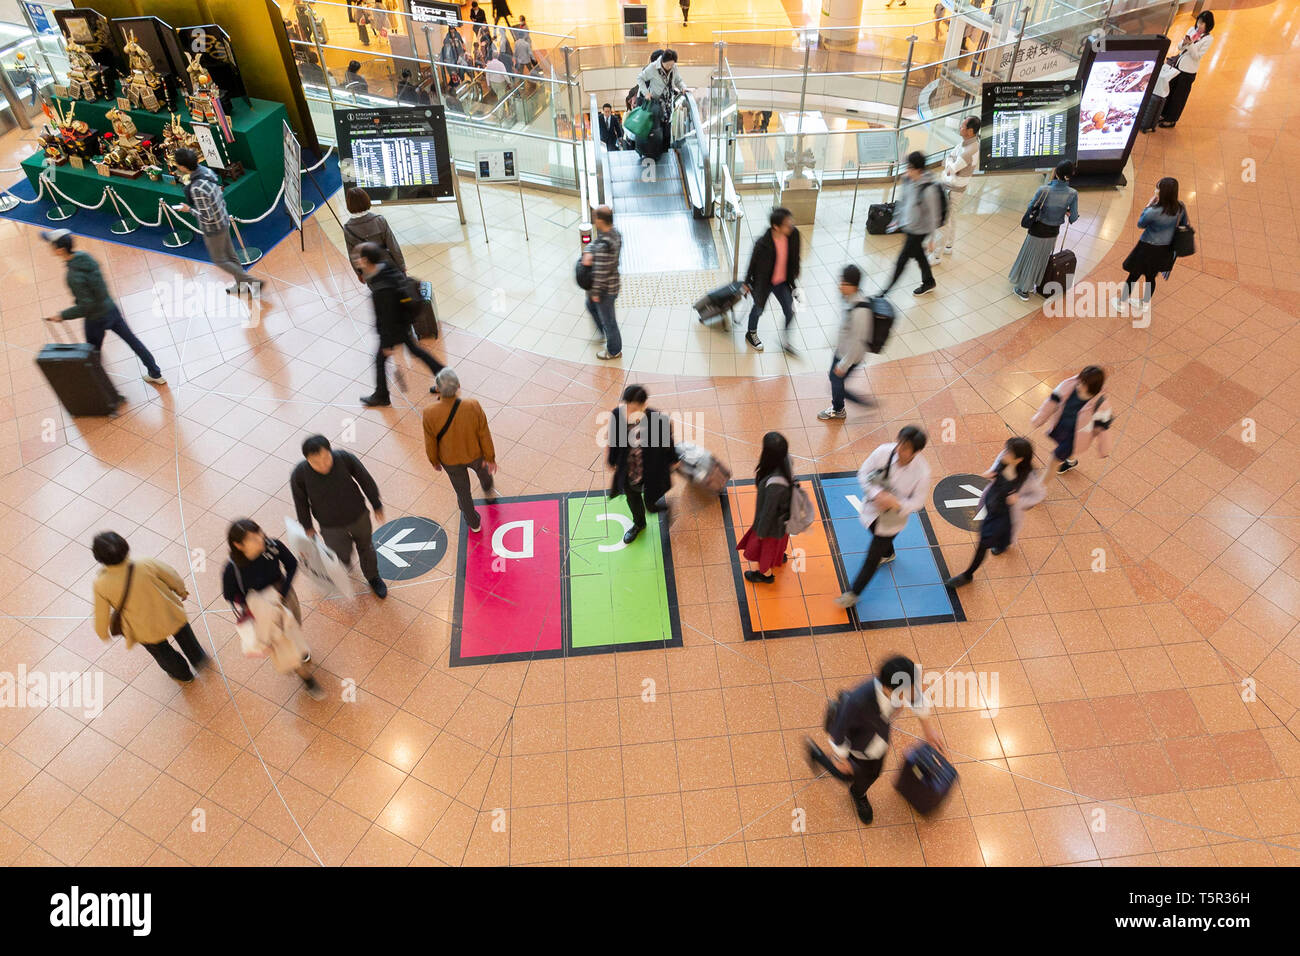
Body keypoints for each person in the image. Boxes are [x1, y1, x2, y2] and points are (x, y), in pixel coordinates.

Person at [808, 656, 946, 825]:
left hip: (878, 740)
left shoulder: (900, 684)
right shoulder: (858, 702)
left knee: (873, 772)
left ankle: (853, 785)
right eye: (907, 690)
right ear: (888, 689)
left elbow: (917, 699)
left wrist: (928, 730)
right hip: (859, 747)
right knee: (851, 775)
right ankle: (853, 789)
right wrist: (841, 758)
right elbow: (838, 733)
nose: (912, 693)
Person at [42, 230, 165, 387]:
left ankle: (100, 387)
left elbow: (86, 306)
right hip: (111, 309)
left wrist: (62, 315)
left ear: (60, 250)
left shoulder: (72, 276)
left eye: (51, 245)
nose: (49, 248)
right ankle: (155, 373)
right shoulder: (86, 258)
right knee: (133, 341)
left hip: (95, 319)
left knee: (93, 354)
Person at [223, 519, 324, 700]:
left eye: (259, 533)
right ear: (238, 545)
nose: (260, 540)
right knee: (282, 641)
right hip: (262, 611)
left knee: (294, 626)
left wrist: (282, 593)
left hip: (284, 597)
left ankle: (299, 650)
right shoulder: (232, 569)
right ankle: (306, 678)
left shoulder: (272, 546)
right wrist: (255, 602)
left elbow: (292, 564)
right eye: (252, 539)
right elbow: (230, 594)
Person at [835, 426, 932, 608]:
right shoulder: (883, 452)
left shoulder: (922, 472)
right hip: (872, 509)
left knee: (873, 556)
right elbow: (863, 473)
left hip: (893, 520)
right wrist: (877, 493)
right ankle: (888, 552)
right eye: (899, 443)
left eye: (905, 448)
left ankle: (854, 593)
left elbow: (918, 502)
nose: (899, 449)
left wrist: (897, 504)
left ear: (916, 452)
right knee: (876, 534)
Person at [91, 532, 206, 682]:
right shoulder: (145, 563)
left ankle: (182, 674)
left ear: (99, 558)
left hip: (142, 628)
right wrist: (181, 590)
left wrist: (103, 633)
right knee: (186, 638)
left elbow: (101, 614)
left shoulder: (101, 584)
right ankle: (199, 659)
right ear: (125, 546)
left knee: (162, 652)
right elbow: (171, 575)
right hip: (169, 613)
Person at [291, 435, 388, 598]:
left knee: (366, 548)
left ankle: (373, 577)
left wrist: (376, 504)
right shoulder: (299, 474)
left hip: (358, 516)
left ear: (330, 451)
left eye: (326, 458)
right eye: (316, 462)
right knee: (339, 554)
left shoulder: (344, 458)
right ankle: (342, 566)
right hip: (330, 526)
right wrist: (307, 526)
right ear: (307, 460)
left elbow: (365, 479)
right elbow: (300, 502)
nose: (323, 465)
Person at [355, 242, 444, 407]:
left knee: (381, 359)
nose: (358, 261)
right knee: (415, 350)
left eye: (360, 258)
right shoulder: (386, 267)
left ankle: (382, 395)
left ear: (367, 260)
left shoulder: (381, 289)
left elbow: (386, 317)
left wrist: (387, 343)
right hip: (403, 321)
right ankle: (445, 377)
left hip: (394, 328)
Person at [946, 437, 1041, 588]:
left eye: (1009, 452)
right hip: (993, 501)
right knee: (1003, 536)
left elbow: (1038, 495)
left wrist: (1018, 500)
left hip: (1004, 514)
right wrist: (991, 473)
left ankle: (968, 574)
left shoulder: (1029, 477)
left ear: (1019, 459)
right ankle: (1003, 544)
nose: (1004, 453)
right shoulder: (1004, 458)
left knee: (984, 542)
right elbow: (996, 468)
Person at [172, 148, 261, 298]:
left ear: (183, 167)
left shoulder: (197, 188)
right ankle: (242, 286)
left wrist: (189, 210)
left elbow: (207, 216)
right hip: (223, 218)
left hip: (214, 228)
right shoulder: (205, 171)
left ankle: (250, 281)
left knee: (220, 260)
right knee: (231, 256)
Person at [423, 368, 497, 533]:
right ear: (458, 386)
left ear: (438, 388)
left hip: (450, 460)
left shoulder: (429, 413)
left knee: (462, 492)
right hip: (475, 453)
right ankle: (487, 486)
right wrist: (490, 458)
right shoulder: (472, 405)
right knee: (483, 471)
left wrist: (434, 461)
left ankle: (473, 522)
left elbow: (430, 441)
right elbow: (484, 433)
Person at [607, 385, 679, 545]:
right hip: (629, 469)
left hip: (652, 469)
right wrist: (612, 460)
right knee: (632, 498)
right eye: (627, 407)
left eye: (634, 409)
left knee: (651, 499)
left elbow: (668, 442)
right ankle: (639, 524)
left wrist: (673, 460)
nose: (629, 413)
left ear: (643, 405)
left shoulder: (658, 420)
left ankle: (657, 507)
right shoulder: (617, 415)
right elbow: (612, 440)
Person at [1112, 176, 1186, 314]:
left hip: (1146, 248)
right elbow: (1183, 223)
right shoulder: (1180, 207)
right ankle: (1144, 303)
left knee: (1133, 275)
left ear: (1162, 192)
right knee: (1151, 277)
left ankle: (1121, 302)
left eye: (1157, 188)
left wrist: (1149, 205)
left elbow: (1141, 224)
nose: (1155, 190)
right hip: (1165, 250)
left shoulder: (1154, 211)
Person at [1008, 159, 1078, 301]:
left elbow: (1031, 207)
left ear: (1056, 173)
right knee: (1041, 258)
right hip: (1053, 233)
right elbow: (1073, 218)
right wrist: (1066, 211)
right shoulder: (1072, 193)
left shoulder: (1044, 190)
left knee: (1030, 257)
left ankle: (1023, 289)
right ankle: (1034, 283)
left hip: (1038, 230)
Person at [1030, 365, 1114, 483]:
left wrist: (1104, 449)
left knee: (1054, 460)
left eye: (1083, 384)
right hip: (1060, 427)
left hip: (1075, 438)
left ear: (1093, 387)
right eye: (1080, 381)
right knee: (1062, 449)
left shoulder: (1101, 404)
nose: (1079, 385)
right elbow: (1051, 402)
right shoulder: (1069, 385)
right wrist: (1039, 418)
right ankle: (1071, 461)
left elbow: (1103, 429)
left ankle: (1040, 486)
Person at [817, 265, 875, 421]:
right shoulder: (849, 298)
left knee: (836, 380)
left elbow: (858, 342)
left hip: (849, 356)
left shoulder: (861, 311)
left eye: (844, 283)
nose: (840, 286)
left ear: (854, 286)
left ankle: (840, 409)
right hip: (842, 350)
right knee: (834, 379)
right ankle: (843, 406)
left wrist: (843, 365)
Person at [881, 151, 941, 297]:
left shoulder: (928, 189)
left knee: (902, 260)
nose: (907, 171)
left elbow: (934, 215)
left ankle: (885, 291)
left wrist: (933, 239)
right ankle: (929, 281)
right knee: (919, 254)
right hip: (909, 225)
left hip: (920, 230)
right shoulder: (908, 180)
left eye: (910, 168)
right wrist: (896, 221)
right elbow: (903, 202)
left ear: (918, 170)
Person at [736, 432, 794, 583]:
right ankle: (780, 556)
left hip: (771, 527)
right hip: (784, 521)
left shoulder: (773, 483)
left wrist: (760, 533)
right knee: (780, 543)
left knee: (765, 551)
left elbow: (768, 512)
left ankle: (765, 575)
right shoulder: (787, 462)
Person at [741, 207, 801, 353]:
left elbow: (795, 256)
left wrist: (795, 272)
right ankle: (751, 333)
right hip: (764, 283)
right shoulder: (762, 244)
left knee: (790, 310)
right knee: (758, 309)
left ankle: (786, 341)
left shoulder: (793, 235)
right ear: (776, 226)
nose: (791, 226)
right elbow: (752, 263)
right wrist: (747, 282)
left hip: (782, 282)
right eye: (787, 224)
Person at [929, 115, 980, 263]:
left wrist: (950, 164)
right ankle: (949, 246)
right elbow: (949, 159)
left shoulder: (969, 150)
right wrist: (950, 163)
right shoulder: (967, 144)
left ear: (970, 131)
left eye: (962, 126)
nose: (960, 128)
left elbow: (951, 168)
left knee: (944, 222)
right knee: (951, 217)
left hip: (953, 189)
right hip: (954, 187)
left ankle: (937, 255)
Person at [580, 205, 623, 360]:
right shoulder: (613, 233)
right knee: (590, 305)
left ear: (600, 220)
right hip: (612, 283)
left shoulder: (605, 245)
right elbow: (596, 243)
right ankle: (604, 333)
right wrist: (590, 250)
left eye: (595, 217)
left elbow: (601, 273)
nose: (593, 219)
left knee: (609, 321)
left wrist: (596, 293)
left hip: (605, 290)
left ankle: (614, 350)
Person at [1159, 10, 1214, 128]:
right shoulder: (1191, 30)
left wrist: (1190, 44)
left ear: (1208, 25)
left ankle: (1171, 120)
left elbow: (1197, 56)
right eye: (1199, 22)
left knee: (1179, 97)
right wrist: (1184, 43)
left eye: (1203, 23)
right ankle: (1163, 114)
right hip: (1178, 66)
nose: (1199, 25)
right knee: (1170, 92)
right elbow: (1179, 47)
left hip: (1188, 71)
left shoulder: (1208, 39)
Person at [342, 186, 406, 281]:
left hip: (370, 272)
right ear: (366, 200)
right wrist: (401, 265)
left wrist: (359, 273)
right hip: (390, 267)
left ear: (349, 204)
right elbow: (393, 246)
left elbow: (353, 255)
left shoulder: (348, 228)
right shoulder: (379, 220)